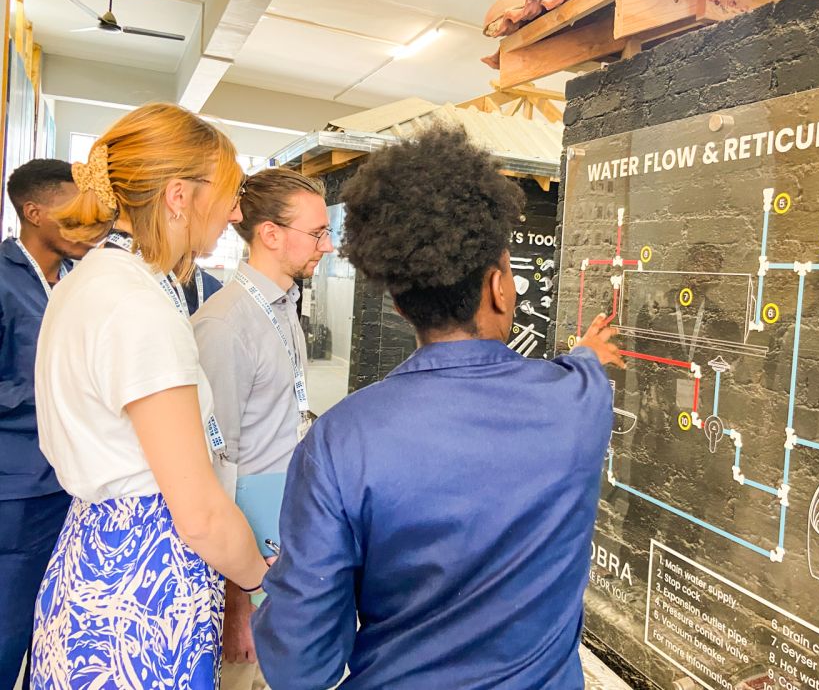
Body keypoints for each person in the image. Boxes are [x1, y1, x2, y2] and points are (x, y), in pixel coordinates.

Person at [253, 128, 624, 689]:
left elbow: (300, 665)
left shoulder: (340, 441)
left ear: (400, 306)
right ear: (499, 288)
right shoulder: (580, 403)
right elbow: (585, 367)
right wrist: (589, 352)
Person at [31, 103, 270, 688]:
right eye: (231, 194)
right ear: (178, 196)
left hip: (96, 561)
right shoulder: (136, 307)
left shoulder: (95, 280)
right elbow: (200, 515)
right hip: (142, 590)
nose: (237, 213)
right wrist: (263, 581)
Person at [192, 168, 333, 689]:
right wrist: (236, 602)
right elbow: (213, 467)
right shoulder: (225, 325)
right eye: (317, 233)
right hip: (243, 555)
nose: (328, 245)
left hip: (278, 530)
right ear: (270, 234)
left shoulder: (283, 306)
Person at [0, 160, 91, 689]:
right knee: (7, 632)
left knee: (55, 637)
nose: (88, 225)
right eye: (73, 213)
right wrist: (61, 388)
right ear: (33, 213)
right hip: (19, 495)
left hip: (77, 489)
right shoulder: (3, 280)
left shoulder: (84, 281)